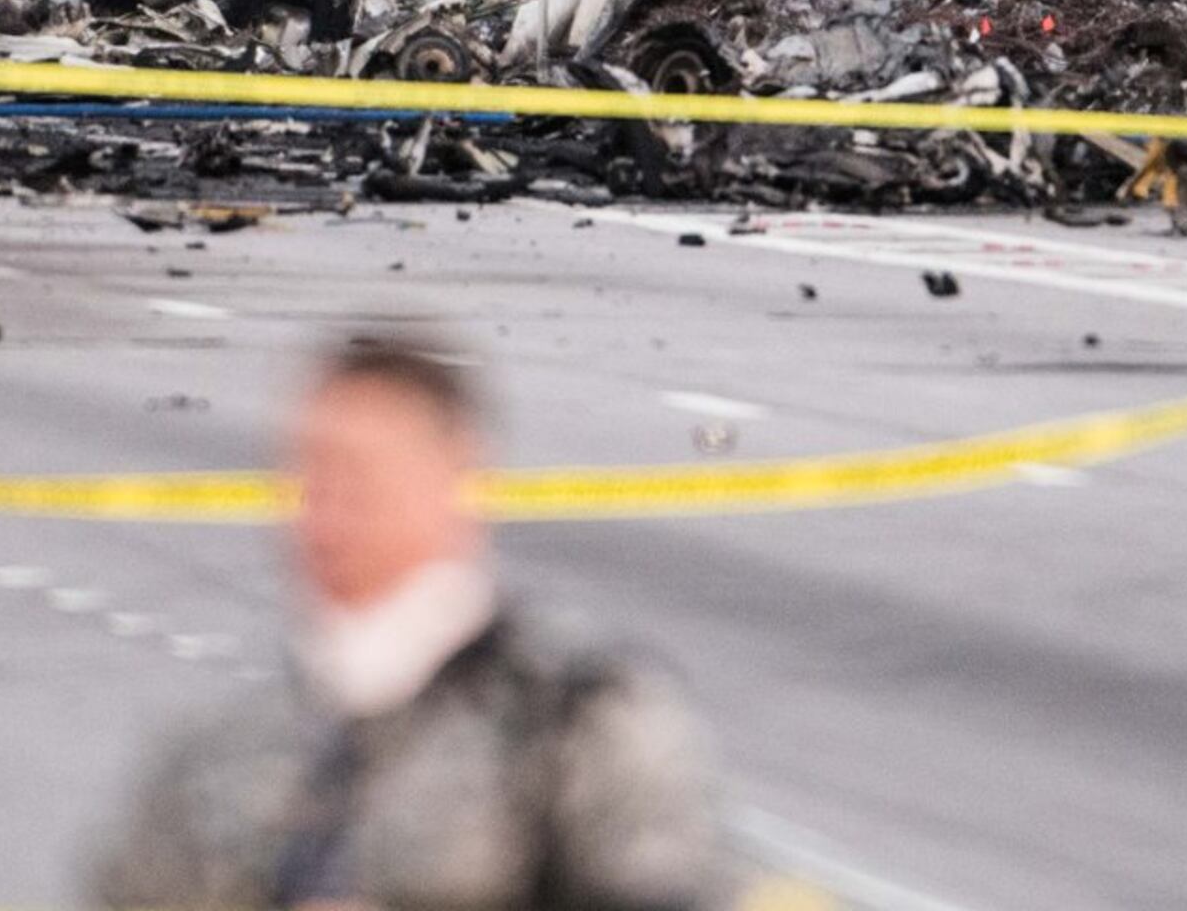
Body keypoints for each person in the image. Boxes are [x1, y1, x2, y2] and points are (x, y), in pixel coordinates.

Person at [90, 334, 736, 911]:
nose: (329, 516)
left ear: (457, 476)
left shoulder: (577, 724)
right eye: (312, 478)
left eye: (364, 480)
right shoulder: (223, 755)